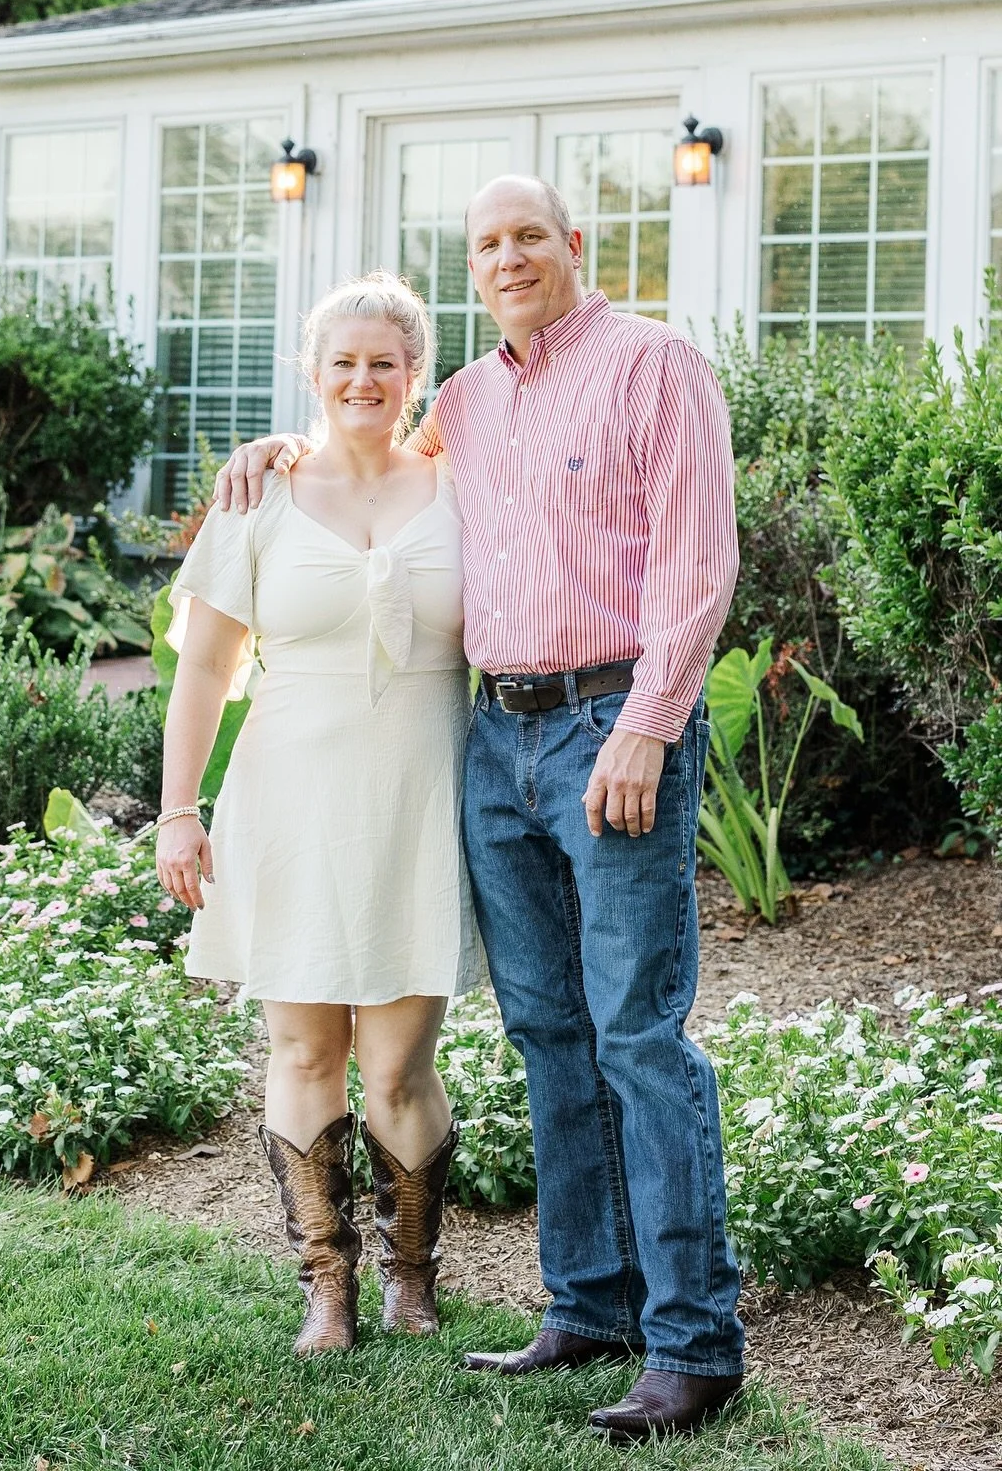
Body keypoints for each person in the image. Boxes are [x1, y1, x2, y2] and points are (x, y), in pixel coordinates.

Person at [214, 177, 745, 1442]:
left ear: (577, 247)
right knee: (551, 1034)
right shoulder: (467, 402)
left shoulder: (655, 369)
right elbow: (371, 455)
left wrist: (647, 727)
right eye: (486, 245)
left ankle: (694, 1343)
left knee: (639, 1035)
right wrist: (279, 452)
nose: (509, 257)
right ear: (473, 273)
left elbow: (699, 564)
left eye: (529, 237)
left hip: (612, 727)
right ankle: (591, 1306)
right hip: (494, 739)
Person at [156, 271, 485, 1358]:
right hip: (288, 804)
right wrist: (177, 813)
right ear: (311, 373)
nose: (362, 379)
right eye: (342, 361)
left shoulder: (462, 490)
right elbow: (203, 669)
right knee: (302, 1053)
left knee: (396, 1065)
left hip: (418, 806)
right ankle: (327, 1287)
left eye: (383, 362)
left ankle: (411, 1274)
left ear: (413, 376)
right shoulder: (257, 498)